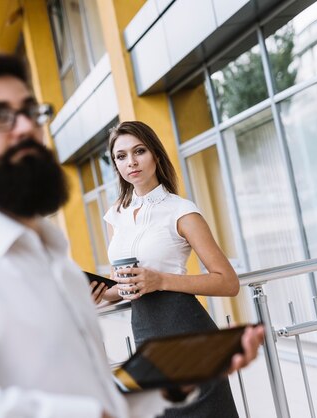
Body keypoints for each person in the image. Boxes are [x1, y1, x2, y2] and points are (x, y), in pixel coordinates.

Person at [0, 53, 263, 418]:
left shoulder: (55, 263)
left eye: (31, 112)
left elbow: (94, 395)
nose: (27, 127)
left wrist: (169, 383)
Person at [101, 120, 242, 417]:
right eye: (121, 156)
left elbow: (228, 282)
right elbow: (123, 281)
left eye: (139, 151)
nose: (132, 162)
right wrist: (104, 291)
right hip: (146, 334)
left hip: (186, 330)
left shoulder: (181, 211)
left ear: (155, 155)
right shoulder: (117, 216)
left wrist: (160, 280)